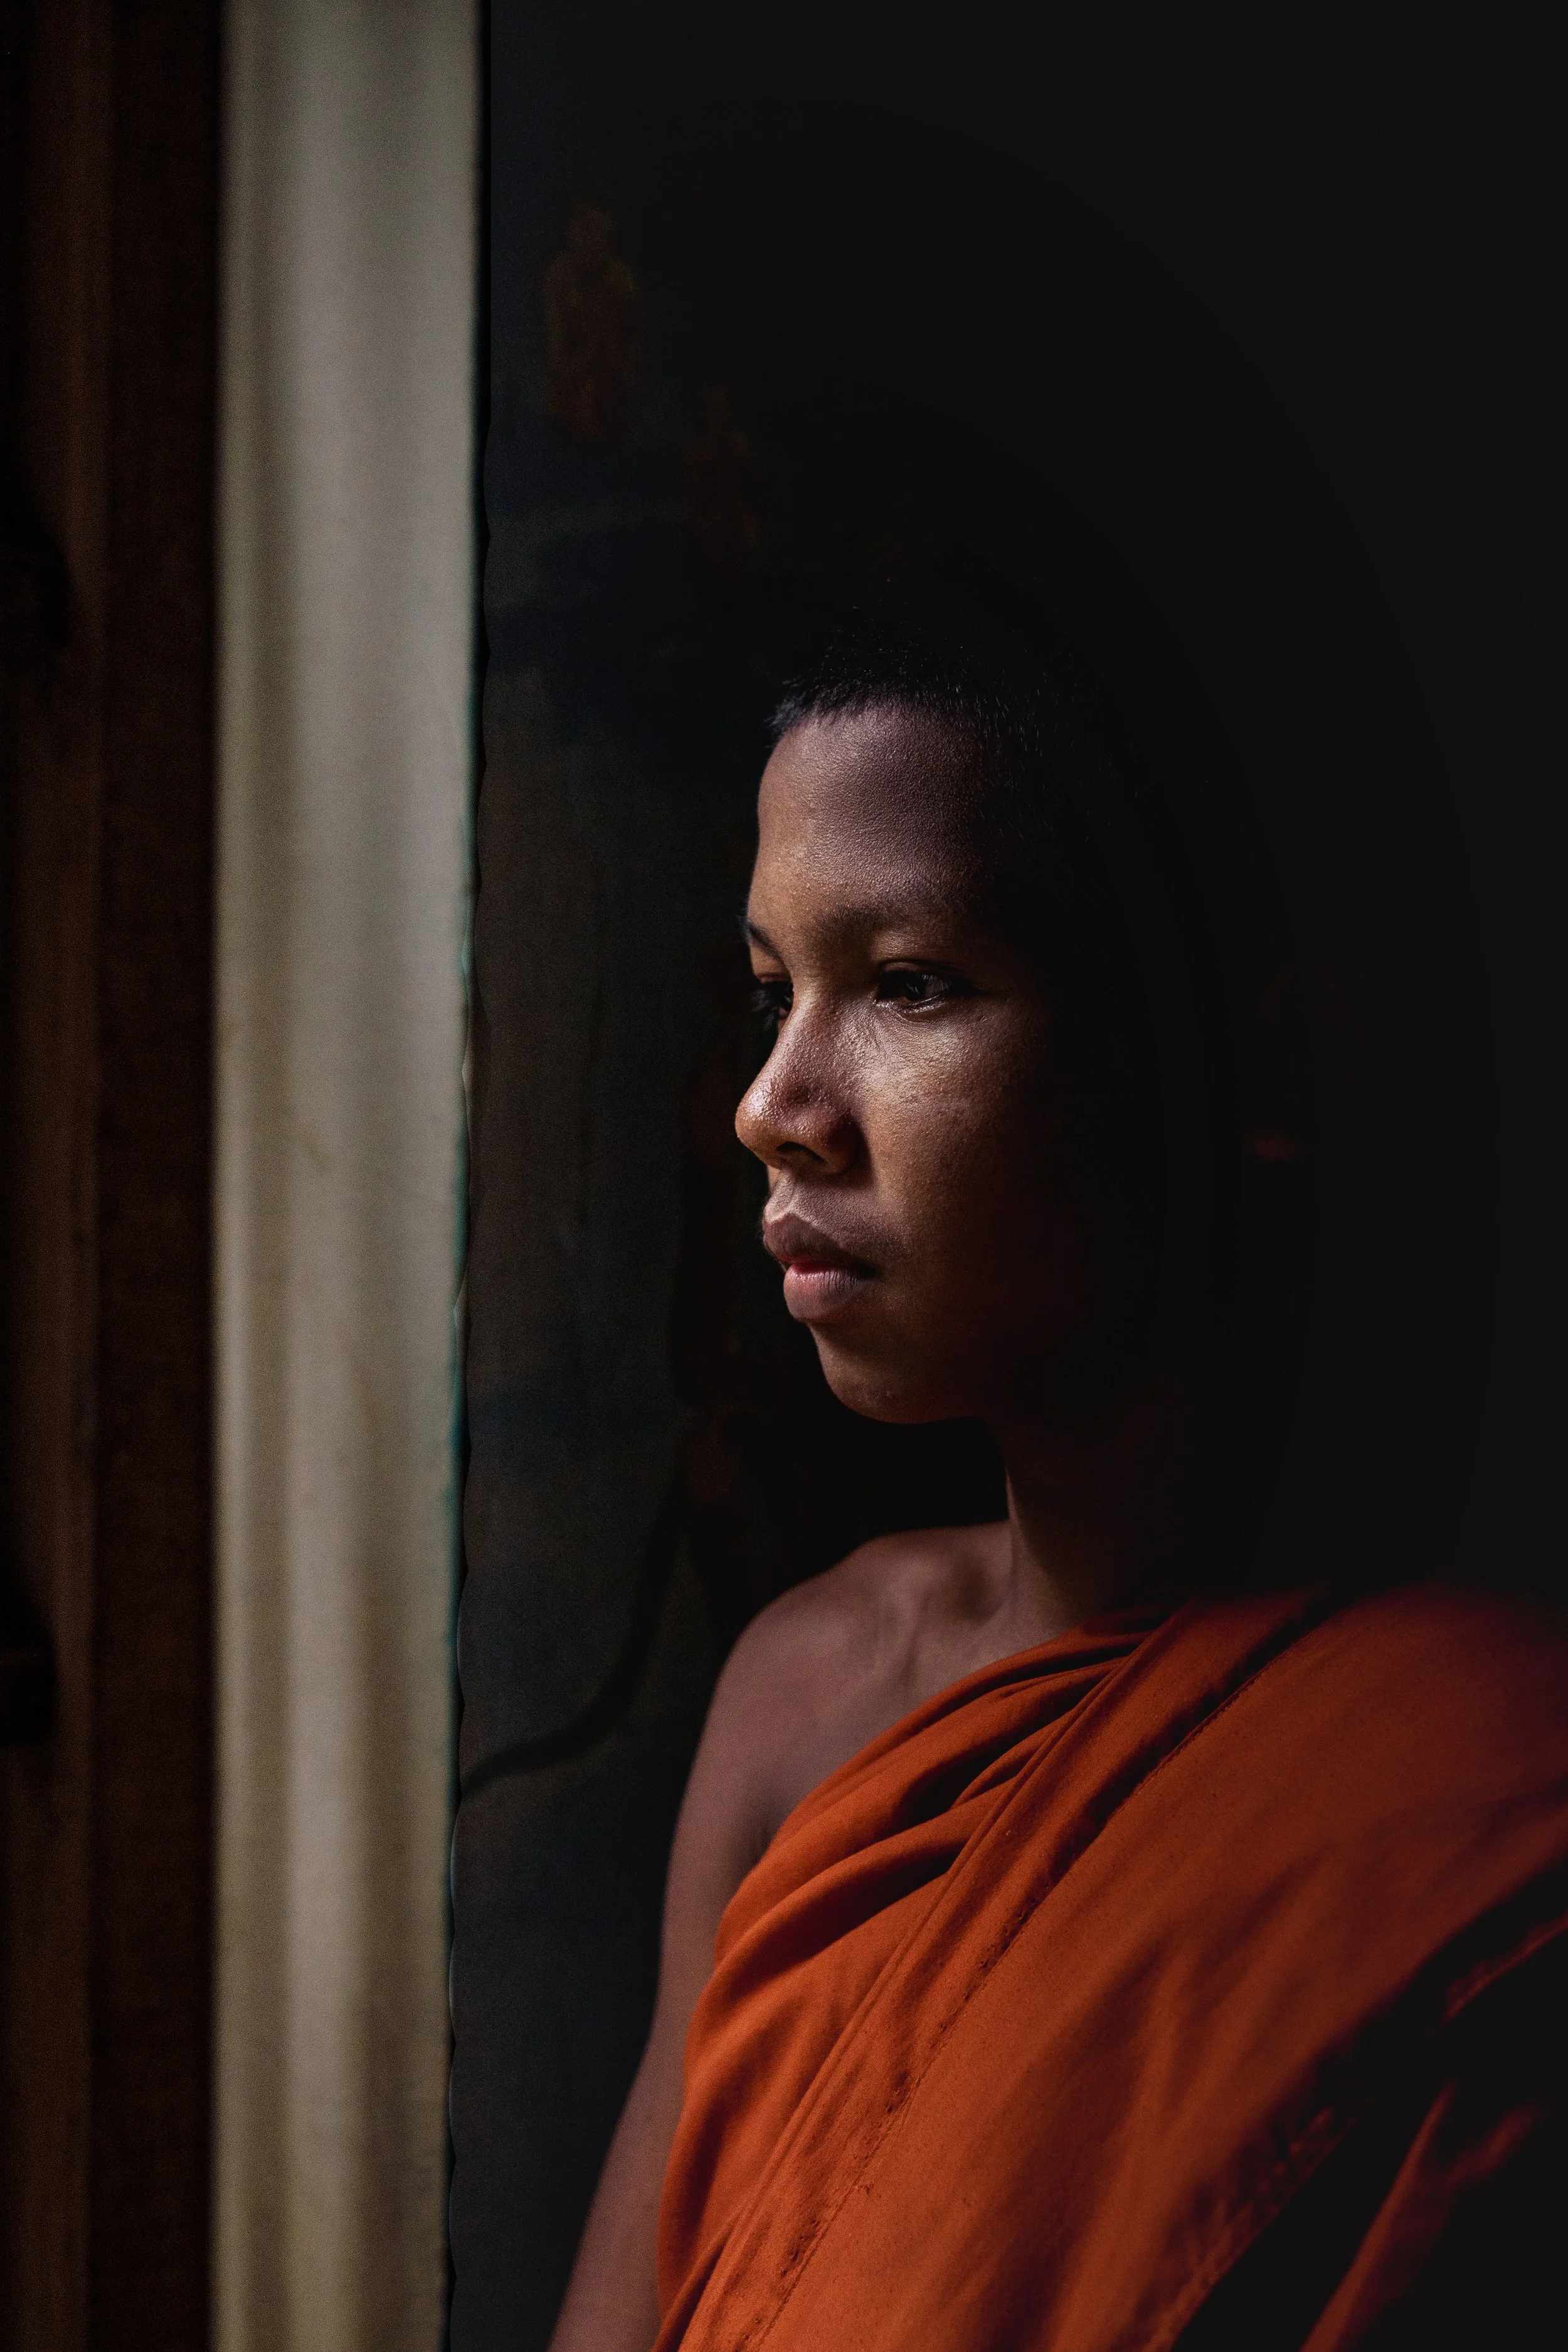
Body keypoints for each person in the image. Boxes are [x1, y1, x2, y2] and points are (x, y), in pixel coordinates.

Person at [547, 561, 1568, 2351]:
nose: (775, 1101)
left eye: (912, 982)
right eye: (775, 982)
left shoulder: (1489, 1793)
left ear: (1271, 1064)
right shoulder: (814, 1695)